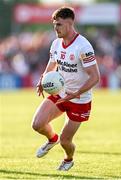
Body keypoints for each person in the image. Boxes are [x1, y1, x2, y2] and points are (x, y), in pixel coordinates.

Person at [32, 6, 100, 171]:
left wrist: (76, 93)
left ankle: (68, 159)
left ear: (70, 23)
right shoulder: (56, 43)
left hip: (79, 99)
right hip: (60, 93)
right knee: (37, 124)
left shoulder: (83, 46)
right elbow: (52, 64)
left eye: (59, 25)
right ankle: (51, 139)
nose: (56, 28)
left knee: (66, 141)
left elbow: (95, 77)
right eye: (54, 25)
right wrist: (43, 79)